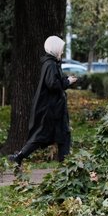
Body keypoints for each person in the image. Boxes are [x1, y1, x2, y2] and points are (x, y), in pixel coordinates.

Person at [8, 36, 78, 166]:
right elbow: (52, 84)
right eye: (61, 49)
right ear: (54, 49)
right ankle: (66, 166)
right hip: (51, 109)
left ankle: (20, 156)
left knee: (53, 135)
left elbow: (55, 82)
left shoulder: (52, 63)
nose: (62, 52)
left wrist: (67, 80)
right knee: (58, 135)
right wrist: (67, 82)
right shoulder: (50, 64)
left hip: (53, 108)